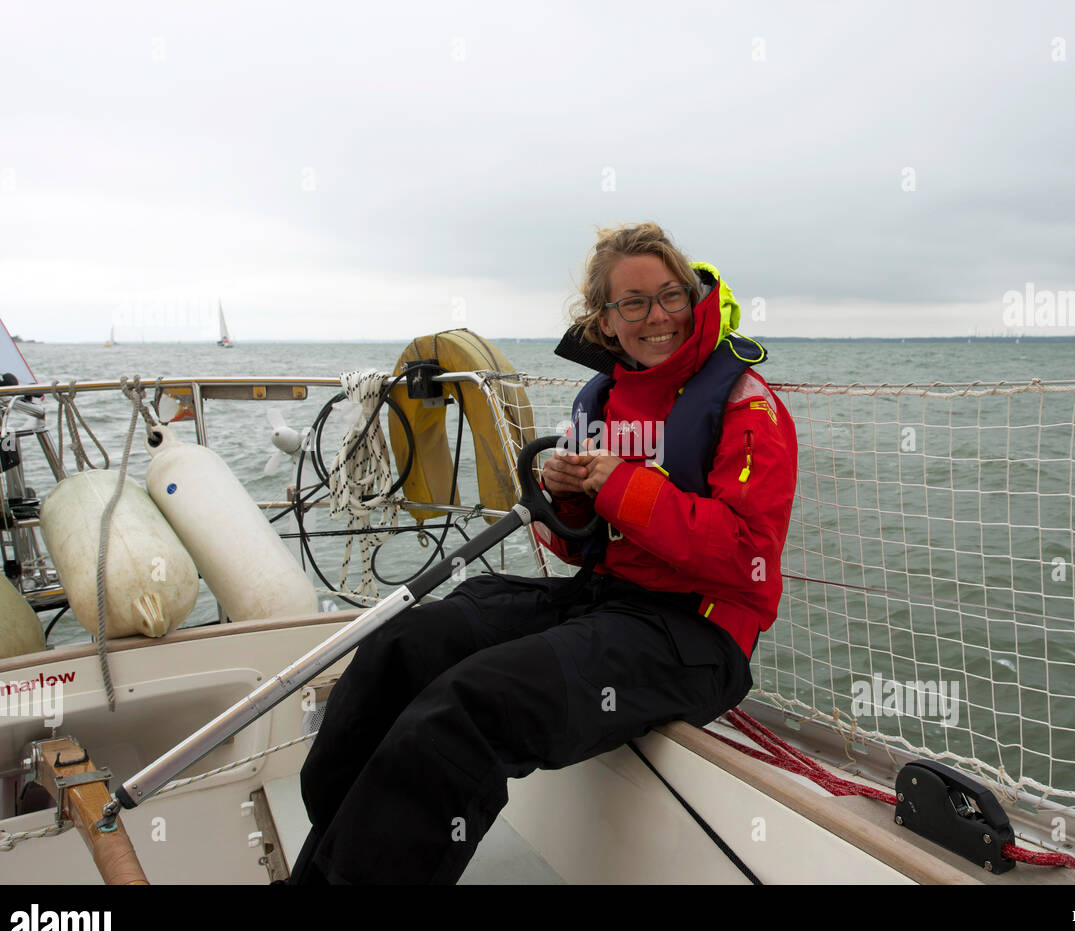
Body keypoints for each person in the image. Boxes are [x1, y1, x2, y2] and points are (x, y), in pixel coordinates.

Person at [288, 222, 797, 884]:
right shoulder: (602, 400)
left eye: (670, 295)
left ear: (693, 298)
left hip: (696, 634)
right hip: (603, 602)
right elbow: (572, 544)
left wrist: (618, 485)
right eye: (633, 303)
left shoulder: (747, 406)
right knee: (404, 645)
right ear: (605, 322)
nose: (658, 317)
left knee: (473, 705)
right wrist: (573, 500)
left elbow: (748, 560)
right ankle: (324, 865)